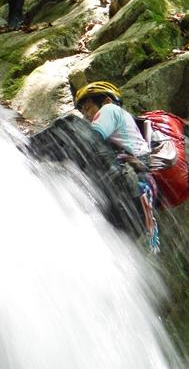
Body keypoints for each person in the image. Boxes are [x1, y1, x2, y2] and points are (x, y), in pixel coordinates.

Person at [74, 81, 177, 251]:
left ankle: (26, 150)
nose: (86, 115)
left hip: (129, 185)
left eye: (88, 108)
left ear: (106, 101)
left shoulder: (110, 110)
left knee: (69, 127)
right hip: (141, 205)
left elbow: (89, 140)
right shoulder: (128, 130)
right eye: (83, 112)